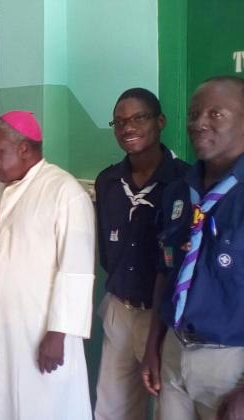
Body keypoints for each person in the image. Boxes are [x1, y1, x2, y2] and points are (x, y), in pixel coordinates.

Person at [0, 111, 96, 420]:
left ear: (23, 148)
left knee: (37, 403)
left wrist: (58, 334)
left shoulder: (65, 193)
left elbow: (75, 271)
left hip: (36, 329)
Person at [141, 76, 244, 419]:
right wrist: (153, 346)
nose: (199, 123)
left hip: (231, 363)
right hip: (174, 351)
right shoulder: (178, 192)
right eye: (193, 114)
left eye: (216, 114)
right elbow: (166, 270)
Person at [94, 88, 188, 420]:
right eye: (119, 121)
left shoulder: (184, 181)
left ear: (160, 121)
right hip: (120, 308)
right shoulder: (108, 181)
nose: (128, 127)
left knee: (167, 406)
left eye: (138, 118)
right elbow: (106, 249)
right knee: (112, 407)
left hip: (164, 317)